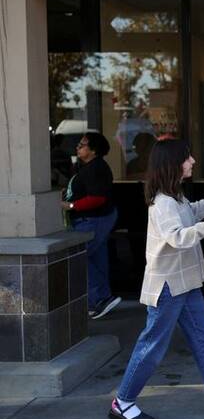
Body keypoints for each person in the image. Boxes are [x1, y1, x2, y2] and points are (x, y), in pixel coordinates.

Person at [108, 139, 204, 419]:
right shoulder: (163, 202)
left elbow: (193, 212)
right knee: (151, 346)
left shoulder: (174, 196)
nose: (192, 162)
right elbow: (178, 237)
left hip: (185, 282)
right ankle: (122, 402)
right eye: (187, 158)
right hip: (167, 286)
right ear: (173, 163)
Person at [61, 132, 120, 319]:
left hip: (94, 219)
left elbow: (97, 198)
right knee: (96, 258)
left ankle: (99, 299)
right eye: (79, 143)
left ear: (94, 150)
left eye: (83, 144)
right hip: (91, 219)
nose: (78, 147)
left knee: (79, 257)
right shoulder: (86, 167)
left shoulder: (97, 168)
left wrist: (71, 205)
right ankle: (102, 299)